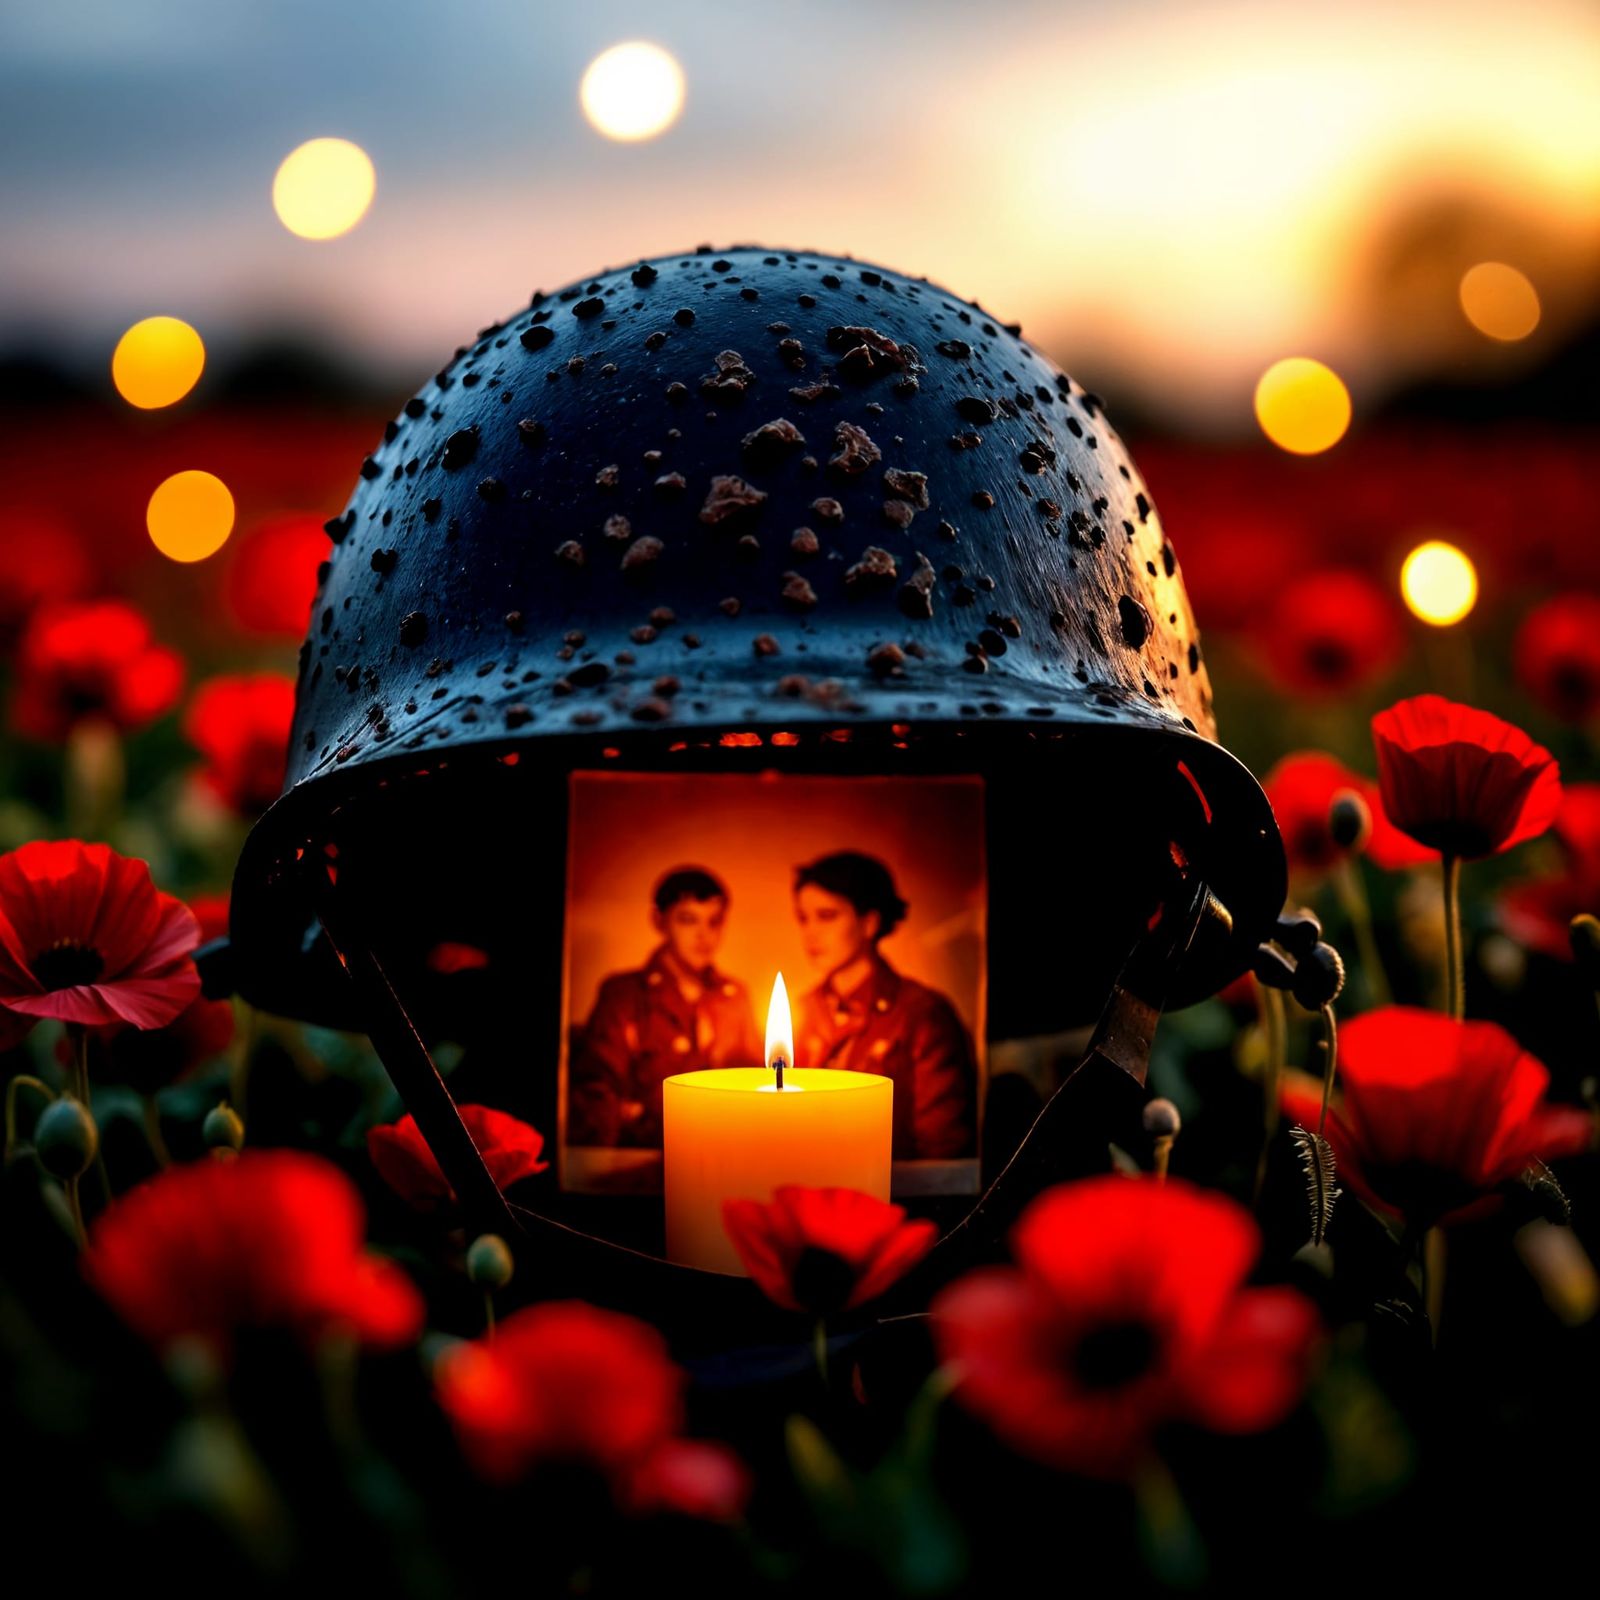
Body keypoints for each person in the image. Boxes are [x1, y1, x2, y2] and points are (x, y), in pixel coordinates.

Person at [792, 851, 978, 1160]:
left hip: (894, 1198)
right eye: (803, 918)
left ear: (869, 922)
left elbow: (944, 1150)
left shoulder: (922, 1013)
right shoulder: (803, 1011)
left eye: (827, 916)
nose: (810, 932)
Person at [569, 866, 761, 1148]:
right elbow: (596, 1090)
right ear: (659, 920)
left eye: (714, 921)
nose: (703, 934)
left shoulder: (734, 996)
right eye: (688, 920)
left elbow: (754, 1083)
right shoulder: (625, 994)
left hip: (721, 1150)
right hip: (642, 1156)